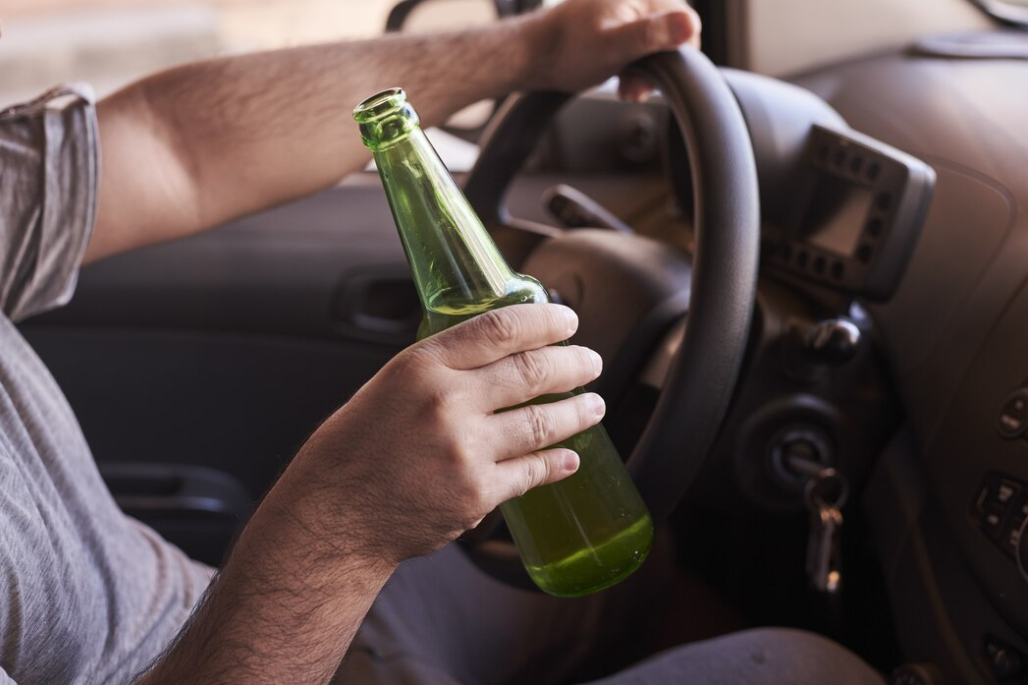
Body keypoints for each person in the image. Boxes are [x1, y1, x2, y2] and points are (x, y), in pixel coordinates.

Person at [0, 1, 888, 683]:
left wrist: (532, 50)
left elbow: (173, 146)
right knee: (816, 668)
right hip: (246, 646)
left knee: (644, 571)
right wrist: (339, 527)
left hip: (224, 613)